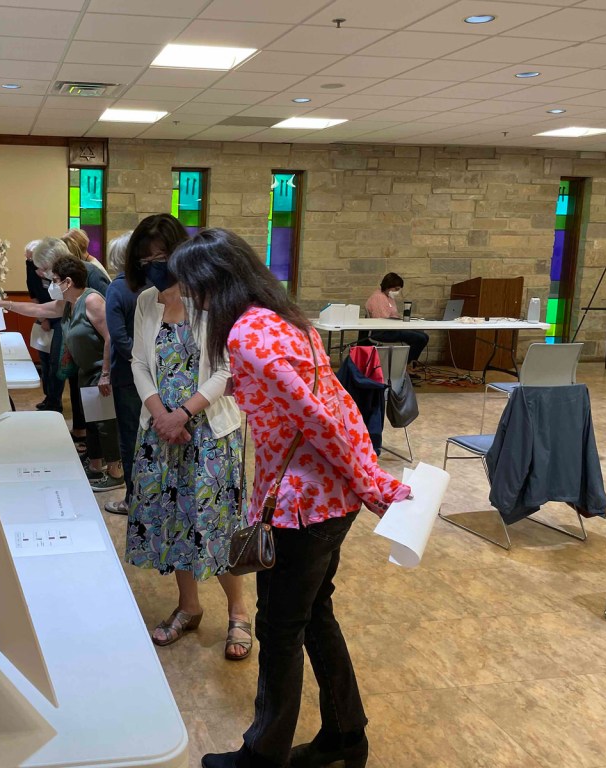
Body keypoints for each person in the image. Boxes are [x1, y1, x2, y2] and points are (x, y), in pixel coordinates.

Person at [171, 229, 411, 768]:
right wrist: (364, 475)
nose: (192, 299)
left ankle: (264, 755)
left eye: (193, 287)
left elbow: (317, 416)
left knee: (280, 629)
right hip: (330, 500)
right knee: (313, 615)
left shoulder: (247, 335)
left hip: (301, 507)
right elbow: (338, 404)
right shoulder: (289, 322)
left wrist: (372, 481)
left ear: (215, 282)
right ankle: (347, 735)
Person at [125, 214, 251, 661]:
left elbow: (226, 369)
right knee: (173, 520)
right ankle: (188, 606)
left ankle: (239, 611)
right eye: (146, 259)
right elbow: (139, 362)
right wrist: (160, 414)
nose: (154, 265)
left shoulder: (213, 300)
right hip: (161, 432)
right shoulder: (146, 302)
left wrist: (183, 414)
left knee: (215, 524)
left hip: (209, 434)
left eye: (162, 256)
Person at [0, 255, 124, 492]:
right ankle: (96, 466)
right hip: (86, 371)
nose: (52, 285)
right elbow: (37, 308)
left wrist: (106, 373)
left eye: (55, 280)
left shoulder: (92, 300)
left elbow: (111, 337)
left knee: (105, 423)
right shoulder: (69, 303)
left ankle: (116, 473)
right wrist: (4, 304)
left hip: (100, 371)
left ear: (68, 281)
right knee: (93, 422)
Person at [33, 238, 110, 453]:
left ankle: (104, 460)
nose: (46, 276)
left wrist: (106, 371)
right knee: (83, 402)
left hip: (97, 361)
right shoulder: (67, 282)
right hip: (82, 357)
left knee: (101, 419)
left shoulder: (91, 275)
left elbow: (108, 325)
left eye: (48, 270)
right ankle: (86, 440)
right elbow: (50, 309)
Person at [103, 231, 141, 516]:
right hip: (156, 372)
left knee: (129, 438)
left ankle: (131, 499)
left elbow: (117, 336)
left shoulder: (117, 288)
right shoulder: (151, 286)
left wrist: (139, 362)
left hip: (128, 376)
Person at [24, 239, 61, 413]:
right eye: (30, 260)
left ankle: (55, 400)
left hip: (58, 315)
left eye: (33, 259)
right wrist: (42, 318)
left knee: (56, 362)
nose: (32, 263)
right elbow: (33, 292)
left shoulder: (54, 269)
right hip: (43, 314)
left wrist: (47, 316)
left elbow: (59, 301)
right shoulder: (30, 266)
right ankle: (48, 396)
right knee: (44, 360)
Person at [364, 272, 429, 365]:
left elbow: (393, 316)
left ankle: (408, 365)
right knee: (420, 338)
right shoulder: (378, 298)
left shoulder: (388, 297)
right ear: (388, 286)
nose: (397, 292)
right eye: (396, 289)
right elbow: (383, 321)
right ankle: (405, 367)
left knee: (424, 336)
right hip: (381, 332)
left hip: (390, 329)